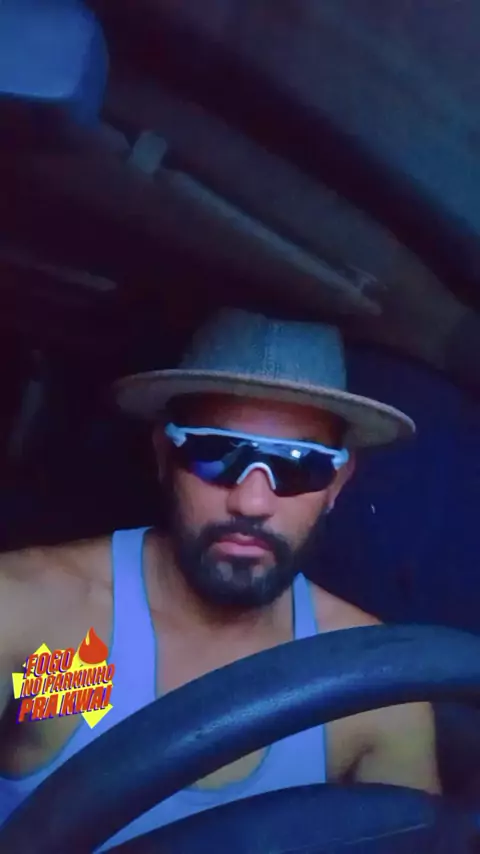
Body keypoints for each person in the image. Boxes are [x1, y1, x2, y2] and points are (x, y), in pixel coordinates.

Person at [0, 307, 440, 849]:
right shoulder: (28, 612)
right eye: (215, 453)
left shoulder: (377, 687)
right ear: (164, 455)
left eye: (299, 464)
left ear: (337, 483)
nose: (251, 502)